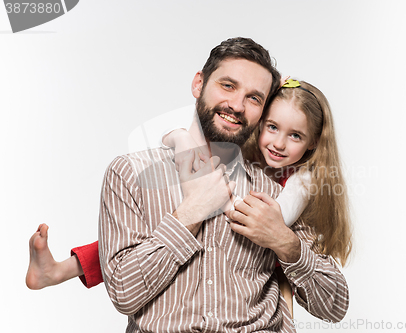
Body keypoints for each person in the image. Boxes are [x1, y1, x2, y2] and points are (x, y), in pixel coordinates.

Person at [26, 37, 350, 332]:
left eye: (254, 98)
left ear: (263, 110)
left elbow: (335, 307)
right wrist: (192, 212)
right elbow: (124, 294)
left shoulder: (276, 194)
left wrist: (285, 242)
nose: (237, 105)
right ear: (199, 84)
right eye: (227, 86)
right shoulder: (130, 173)